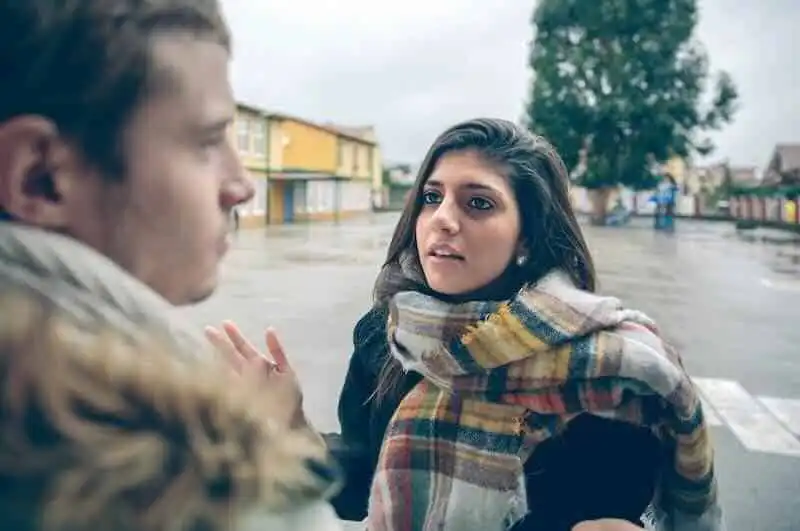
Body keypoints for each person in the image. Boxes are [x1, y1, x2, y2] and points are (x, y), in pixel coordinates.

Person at [213, 119, 724, 531]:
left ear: (527, 238)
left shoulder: (607, 374)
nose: (442, 219)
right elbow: (368, 482)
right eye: (432, 197)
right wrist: (291, 427)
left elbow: (606, 510)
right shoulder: (384, 338)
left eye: (478, 203)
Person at [0, 1, 341, 528]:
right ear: (40, 177)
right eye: (207, 142)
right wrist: (279, 456)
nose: (241, 185)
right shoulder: (184, 489)